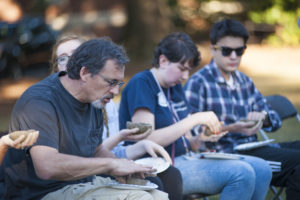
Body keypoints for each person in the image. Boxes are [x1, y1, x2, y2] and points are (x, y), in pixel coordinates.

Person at [2, 38, 168, 200]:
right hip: (42, 193)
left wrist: (126, 165)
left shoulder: (94, 99)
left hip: (81, 185)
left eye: (119, 83)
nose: (116, 91)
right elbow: (47, 166)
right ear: (85, 73)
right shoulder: (39, 102)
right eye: (111, 82)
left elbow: (95, 151)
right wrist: (111, 165)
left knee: (157, 193)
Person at [119, 32, 272, 200]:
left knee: (262, 168)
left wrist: (201, 139)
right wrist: (194, 119)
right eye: (182, 69)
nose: (185, 76)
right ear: (163, 61)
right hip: (156, 168)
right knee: (242, 173)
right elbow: (146, 140)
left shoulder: (174, 87)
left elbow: (188, 143)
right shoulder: (142, 84)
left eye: (189, 71)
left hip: (185, 159)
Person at [51, 33, 183, 200]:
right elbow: (80, 157)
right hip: (81, 177)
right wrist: (116, 157)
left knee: (169, 176)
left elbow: (105, 151)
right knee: (152, 186)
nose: (71, 62)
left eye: (75, 55)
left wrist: (141, 146)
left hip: (101, 168)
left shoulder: (102, 101)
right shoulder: (52, 101)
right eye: (63, 58)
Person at [184, 18, 300, 199]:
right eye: (226, 50)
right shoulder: (198, 83)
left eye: (239, 51)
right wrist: (231, 128)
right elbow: (191, 135)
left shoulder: (244, 81)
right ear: (212, 49)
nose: (233, 56)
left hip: (256, 148)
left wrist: (262, 117)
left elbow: (274, 121)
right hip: (226, 156)